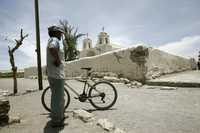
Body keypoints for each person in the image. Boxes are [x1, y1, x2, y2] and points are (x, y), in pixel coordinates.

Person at [46, 25, 66, 127]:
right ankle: (57, 120)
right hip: (57, 75)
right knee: (58, 98)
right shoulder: (54, 40)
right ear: (56, 33)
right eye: (60, 33)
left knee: (58, 97)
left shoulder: (51, 39)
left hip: (54, 74)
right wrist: (58, 60)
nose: (61, 34)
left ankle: (59, 116)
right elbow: (52, 48)